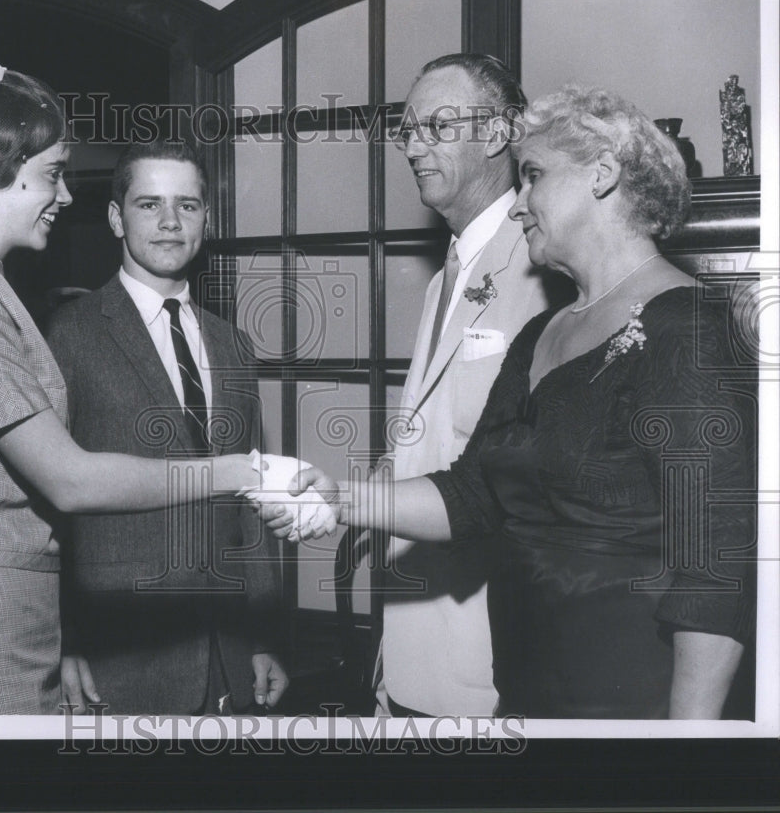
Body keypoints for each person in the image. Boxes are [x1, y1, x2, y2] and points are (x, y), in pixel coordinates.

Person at [268, 87, 756, 719]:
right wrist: (342, 498)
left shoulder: (688, 328)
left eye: (533, 176)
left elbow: (714, 562)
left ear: (602, 175)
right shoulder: (539, 335)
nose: (519, 203)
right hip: (526, 686)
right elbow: (473, 493)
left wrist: (688, 748)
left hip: (632, 690)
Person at [0, 66, 258, 714]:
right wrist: (235, 470)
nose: (66, 195)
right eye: (52, 174)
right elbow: (69, 479)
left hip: (2, 619)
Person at [45, 141, 287, 715]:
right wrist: (63, 640)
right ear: (115, 217)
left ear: (207, 217)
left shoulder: (231, 343)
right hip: (120, 651)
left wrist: (263, 635)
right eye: (149, 204)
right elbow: (47, 501)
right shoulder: (68, 334)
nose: (171, 222)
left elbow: (249, 499)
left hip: (227, 651)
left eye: (189, 205)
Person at [375, 54, 557, 717]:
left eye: (439, 125)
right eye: (407, 130)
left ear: (502, 133)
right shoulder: (440, 279)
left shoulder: (542, 269)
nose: (415, 146)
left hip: (491, 662)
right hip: (413, 649)